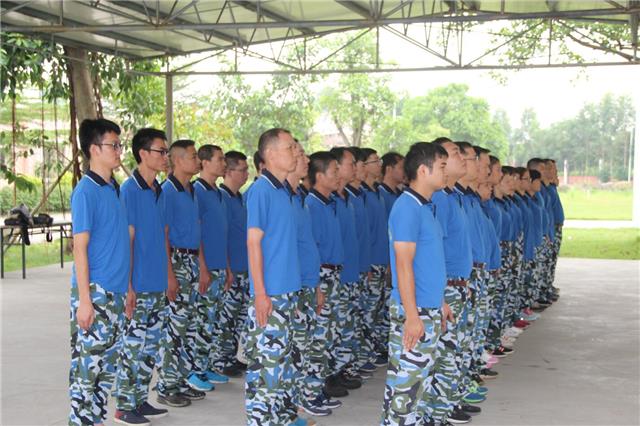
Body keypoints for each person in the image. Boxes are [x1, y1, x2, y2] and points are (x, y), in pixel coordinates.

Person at [381, 142, 452, 426]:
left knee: (417, 384)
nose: (446, 172)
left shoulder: (424, 207)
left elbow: (427, 263)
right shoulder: (407, 208)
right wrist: (411, 315)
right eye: (442, 166)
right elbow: (403, 264)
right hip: (415, 309)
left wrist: (440, 301)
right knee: (406, 388)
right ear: (423, 170)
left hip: (426, 306)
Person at [69, 118, 130, 426]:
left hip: (116, 293)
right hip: (96, 292)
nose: (119, 151)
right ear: (94, 149)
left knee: (106, 373)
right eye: (113, 145)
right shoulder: (86, 191)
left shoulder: (113, 188)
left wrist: (128, 287)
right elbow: (79, 247)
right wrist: (84, 300)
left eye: (120, 145)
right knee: (87, 372)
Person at [245, 128, 307, 426]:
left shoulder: (284, 192)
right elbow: (253, 243)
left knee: (282, 366)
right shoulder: (261, 190)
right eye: (290, 148)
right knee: (266, 369)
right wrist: (260, 293)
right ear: (270, 155)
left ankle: (280, 419)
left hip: (287, 292)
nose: (295, 152)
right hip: (270, 294)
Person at [114, 128, 170, 426]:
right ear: (143, 153)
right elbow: (128, 241)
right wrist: (129, 286)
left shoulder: (158, 190)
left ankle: (139, 399)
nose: (165, 156)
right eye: (161, 151)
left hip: (157, 283)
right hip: (138, 284)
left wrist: (169, 276)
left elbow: (163, 236)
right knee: (133, 347)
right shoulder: (129, 191)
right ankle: (124, 406)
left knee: (150, 348)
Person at [156, 139, 209, 406]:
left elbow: (197, 230)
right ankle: (166, 386)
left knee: (189, 326)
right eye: (193, 156)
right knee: (174, 328)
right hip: (176, 260)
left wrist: (203, 266)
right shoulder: (167, 191)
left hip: (192, 260)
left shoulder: (191, 190)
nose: (198, 161)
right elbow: (164, 235)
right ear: (177, 160)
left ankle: (181, 379)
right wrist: (169, 275)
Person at [428, 137, 477, 425]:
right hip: (447, 286)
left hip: (459, 285)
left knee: (453, 350)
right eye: (455, 153)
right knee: (444, 353)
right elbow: (435, 250)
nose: (462, 159)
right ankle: (438, 412)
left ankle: (447, 405)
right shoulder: (439, 200)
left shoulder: (452, 197)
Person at [302, 151, 347, 407]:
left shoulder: (329, 203)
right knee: (317, 337)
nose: (338, 176)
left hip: (334, 275)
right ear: (319, 176)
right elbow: (311, 250)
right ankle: (309, 394)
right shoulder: (312, 205)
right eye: (334, 172)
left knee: (329, 335)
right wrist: (317, 285)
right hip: (321, 275)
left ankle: (319, 388)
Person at [190, 145, 232, 390]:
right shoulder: (198, 191)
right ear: (205, 163)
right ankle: (195, 370)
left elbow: (221, 233)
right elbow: (198, 233)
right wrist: (203, 268)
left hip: (219, 265)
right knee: (202, 321)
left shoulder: (217, 192)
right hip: (206, 268)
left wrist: (227, 267)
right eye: (219, 159)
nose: (223, 163)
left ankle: (205, 366)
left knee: (213, 320)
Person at [328, 147, 362, 388]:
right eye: (351, 163)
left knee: (346, 325)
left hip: (350, 272)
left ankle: (341, 368)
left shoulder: (347, 198)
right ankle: (328, 375)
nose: (355, 167)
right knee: (331, 327)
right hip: (334, 276)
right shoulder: (325, 200)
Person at [217, 151, 251, 377]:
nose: (247, 174)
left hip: (244, 267)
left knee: (239, 317)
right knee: (226, 318)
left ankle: (231, 357)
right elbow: (224, 236)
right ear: (229, 172)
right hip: (231, 268)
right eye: (242, 170)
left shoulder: (241, 198)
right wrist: (228, 268)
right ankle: (221, 359)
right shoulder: (223, 198)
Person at [360, 148, 391, 366]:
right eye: (374, 161)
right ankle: (363, 355)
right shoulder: (361, 194)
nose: (379, 164)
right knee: (366, 311)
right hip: (368, 263)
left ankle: (372, 349)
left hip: (381, 261)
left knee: (376, 309)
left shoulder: (375, 192)